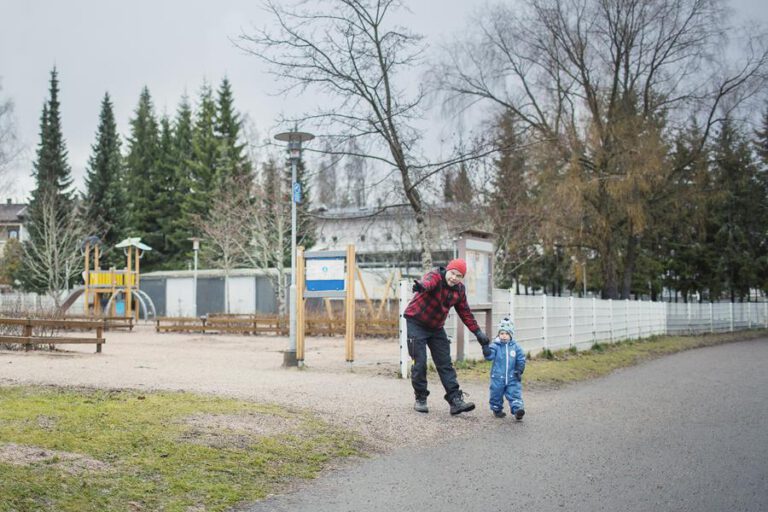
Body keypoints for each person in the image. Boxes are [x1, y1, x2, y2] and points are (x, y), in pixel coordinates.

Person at [405, 258, 491, 415]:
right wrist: (422, 286)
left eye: (459, 276)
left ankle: (455, 400)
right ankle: (421, 397)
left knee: (445, 363)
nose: (454, 278)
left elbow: (465, 313)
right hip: (416, 322)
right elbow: (428, 282)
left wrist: (478, 333)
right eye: (452, 273)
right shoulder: (435, 276)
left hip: (436, 327)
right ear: (448, 270)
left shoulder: (459, 290)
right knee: (420, 362)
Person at [483, 317, 526, 420]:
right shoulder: (495, 346)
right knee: (496, 394)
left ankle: (517, 410)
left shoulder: (516, 347)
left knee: (514, 393)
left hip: (513, 376)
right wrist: (486, 349)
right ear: (498, 334)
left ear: (511, 335)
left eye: (506, 334)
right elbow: (489, 357)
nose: (504, 336)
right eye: (501, 333)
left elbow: (521, 359)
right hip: (498, 377)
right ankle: (497, 409)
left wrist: (519, 370)